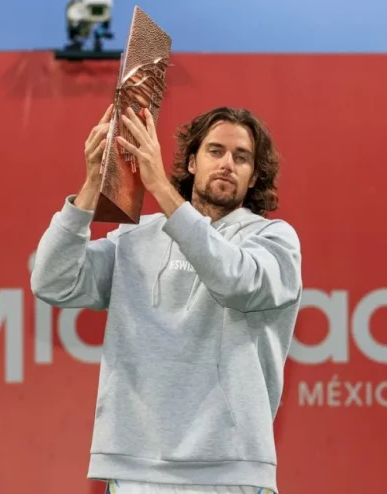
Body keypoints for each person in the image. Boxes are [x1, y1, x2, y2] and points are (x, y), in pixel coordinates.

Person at [31, 104, 302, 494]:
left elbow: (235, 279)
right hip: (135, 469)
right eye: (215, 151)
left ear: (254, 175)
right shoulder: (134, 238)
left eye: (241, 157)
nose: (227, 163)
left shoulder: (275, 240)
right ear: (192, 162)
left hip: (230, 472)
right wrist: (92, 185)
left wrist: (161, 188)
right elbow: (53, 281)